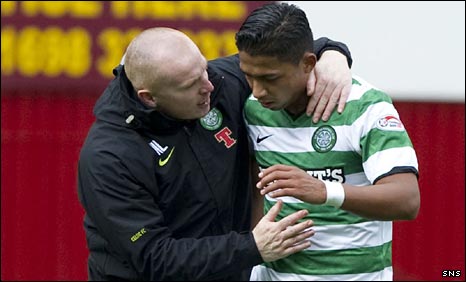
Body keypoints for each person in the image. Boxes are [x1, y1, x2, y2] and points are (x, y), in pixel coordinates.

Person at [77, 25, 353, 280]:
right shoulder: (108, 157)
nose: (209, 86)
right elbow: (154, 258)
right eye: (190, 85)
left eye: (204, 70)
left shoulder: (218, 80)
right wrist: (252, 247)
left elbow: (291, 55)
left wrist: (333, 54)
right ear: (149, 98)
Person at [237, 3, 420, 281]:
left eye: (270, 78)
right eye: (249, 76)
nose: (258, 90)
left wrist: (324, 190)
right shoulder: (252, 107)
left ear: (308, 63)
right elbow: (256, 190)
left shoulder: (364, 105)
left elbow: (407, 200)